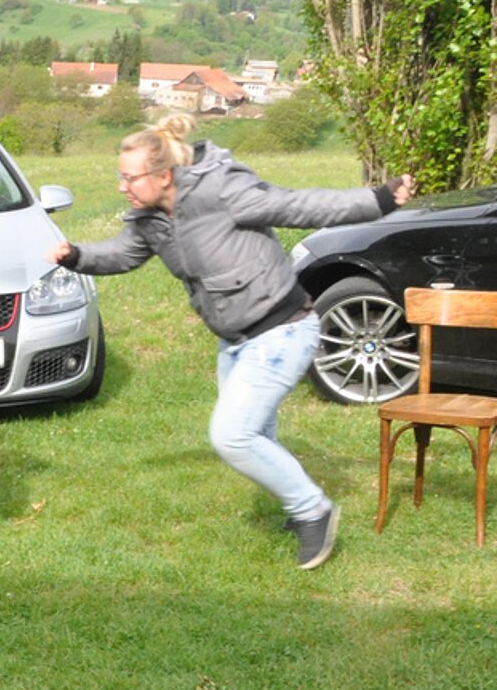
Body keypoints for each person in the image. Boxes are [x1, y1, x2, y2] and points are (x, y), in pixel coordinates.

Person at [48, 111, 414, 569]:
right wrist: (77, 256)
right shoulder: (150, 218)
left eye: (130, 177)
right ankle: (298, 502)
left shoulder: (222, 191)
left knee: (232, 436)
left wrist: (377, 200)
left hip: (283, 328)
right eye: (120, 176)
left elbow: (298, 206)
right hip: (236, 340)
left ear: (164, 175)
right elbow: (124, 253)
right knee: (256, 434)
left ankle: (313, 510)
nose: (123, 186)